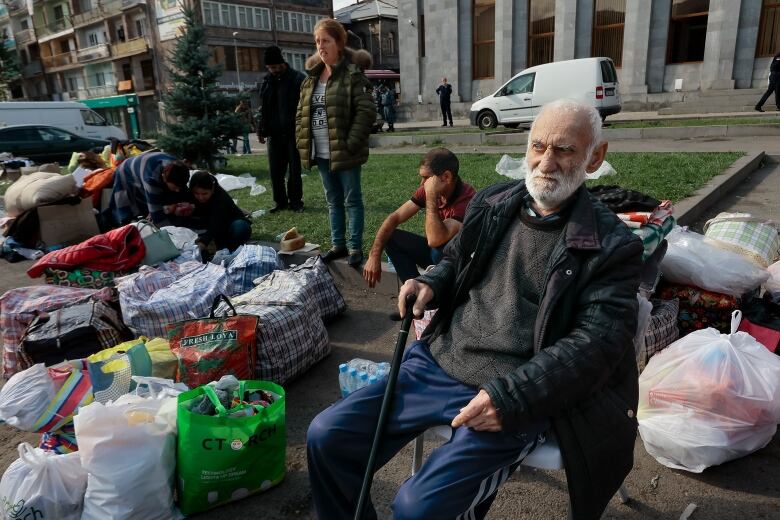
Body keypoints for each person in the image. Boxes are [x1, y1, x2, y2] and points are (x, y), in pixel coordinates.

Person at [307, 99, 644, 520]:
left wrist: (512, 397)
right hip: (438, 361)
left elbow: (596, 346)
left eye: (564, 150)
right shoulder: (494, 203)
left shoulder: (613, 246)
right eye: (538, 146)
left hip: (515, 392)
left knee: (419, 507)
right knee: (327, 437)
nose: (545, 162)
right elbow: (454, 260)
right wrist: (430, 281)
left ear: (595, 157)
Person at [296, 18, 376, 267]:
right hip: (320, 151)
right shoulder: (310, 79)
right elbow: (301, 113)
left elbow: (366, 112)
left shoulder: (352, 76)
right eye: (317, 41)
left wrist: (351, 142)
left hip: (345, 151)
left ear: (339, 43)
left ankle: (354, 247)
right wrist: (303, 142)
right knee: (332, 200)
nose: (321, 46)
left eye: (326, 41)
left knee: (352, 199)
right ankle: (338, 244)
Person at [362, 147, 475, 291]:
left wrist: (430, 197)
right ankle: (414, 296)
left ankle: (433, 299)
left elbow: (435, 239)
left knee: (439, 246)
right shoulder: (429, 189)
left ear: (446, 177)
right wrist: (374, 255)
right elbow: (394, 218)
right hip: (436, 256)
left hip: (455, 264)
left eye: (427, 178)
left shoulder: (467, 198)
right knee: (391, 238)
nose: (422, 184)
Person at [257, 45, 306, 213]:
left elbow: (305, 107)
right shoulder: (266, 81)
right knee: (275, 172)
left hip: (293, 133)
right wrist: (261, 129)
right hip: (273, 135)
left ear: (282, 63)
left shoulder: (297, 79)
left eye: (275, 67)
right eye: (270, 68)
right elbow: (263, 108)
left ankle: (296, 201)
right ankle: (280, 201)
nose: (273, 70)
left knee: (294, 170)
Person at [108, 151, 191, 227]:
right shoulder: (151, 179)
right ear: (165, 180)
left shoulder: (178, 169)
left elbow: (184, 194)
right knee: (128, 210)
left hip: (149, 163)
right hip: (126, 171)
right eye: (175, 187)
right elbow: (157, 216)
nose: (178, 190)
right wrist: (171, 232)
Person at [189, 171, 251, 254]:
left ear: (212, 189)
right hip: (210, 224)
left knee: (241, 228)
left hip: (229, 223)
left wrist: (203, 242)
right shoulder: (191, 196)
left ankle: (230, 247)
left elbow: (217, 222)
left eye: (204, 194)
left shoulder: (220, 198)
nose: (200, 197)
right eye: (197, 193)